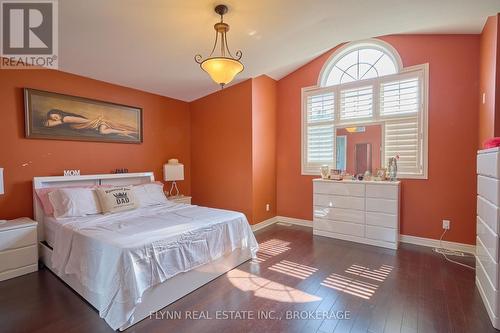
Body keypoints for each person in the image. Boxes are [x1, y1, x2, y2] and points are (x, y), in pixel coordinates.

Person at [44, 109, 138, 138]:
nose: (55, 119)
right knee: (103, 131)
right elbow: (47, 124)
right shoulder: (65, 121)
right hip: (96, 125)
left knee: (102, 131)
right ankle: (124, 131)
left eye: (55, 116)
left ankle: (124, 131)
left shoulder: (66, 118)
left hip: (98, 123)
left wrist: (97, 121)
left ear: (59, 113)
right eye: (53, 118)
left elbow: (87, 122)